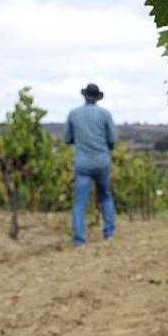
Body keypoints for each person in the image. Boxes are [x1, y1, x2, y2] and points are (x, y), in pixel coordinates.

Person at [64, 83, 116, 246]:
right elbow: (112, 140)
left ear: (84, 96)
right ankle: (109, 234)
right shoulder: (105, 114)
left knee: (80, 203)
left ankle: (79, 241)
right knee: (106, 197)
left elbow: (67, 139)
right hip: (102, 162)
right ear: (97, 97)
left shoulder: (73, 114)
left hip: (83, 164)